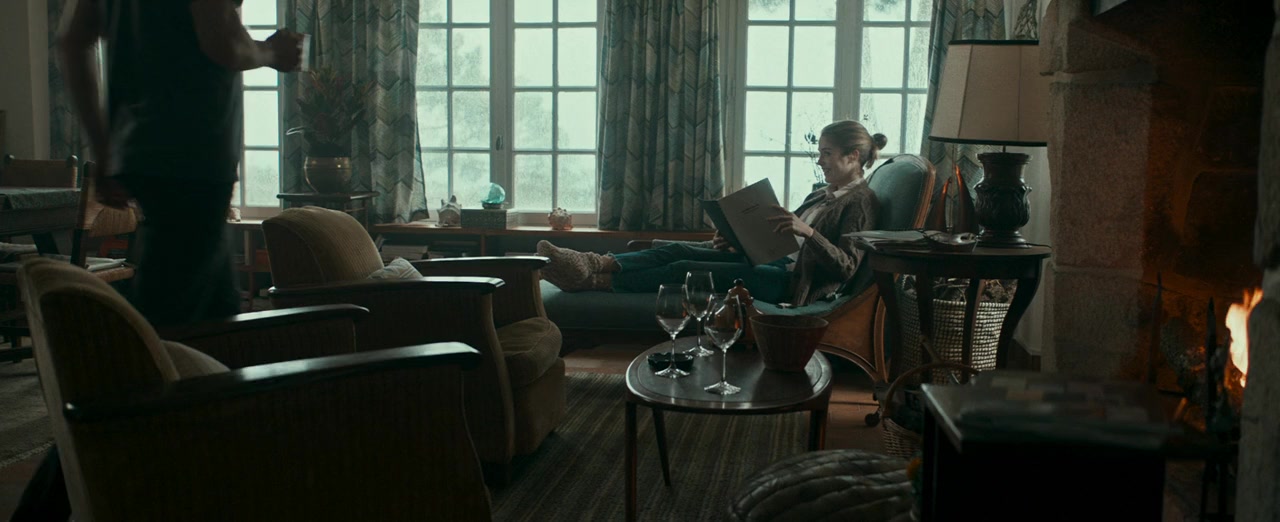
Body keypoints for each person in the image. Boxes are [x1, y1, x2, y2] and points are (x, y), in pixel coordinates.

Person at [10, 1, 304, 519]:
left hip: (148, 156)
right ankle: (48, 506)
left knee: (206, 344)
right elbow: (221, 41)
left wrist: (104, 147)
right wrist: (270, 52)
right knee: (143, 361)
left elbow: (72, 42)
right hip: (193, 166)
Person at [538, 120, 885, 306]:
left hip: (789, 283)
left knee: (683, 269)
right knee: (678, 249)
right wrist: (738, 239)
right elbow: (782, 239)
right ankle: (594, 262)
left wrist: (808, 232)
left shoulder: (860, 202)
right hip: (774, 262)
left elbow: (846, 267)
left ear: (853, 156)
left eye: (826, 153)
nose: (820, 160)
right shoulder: (820, 194)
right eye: (820, 152)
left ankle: (595, 281)